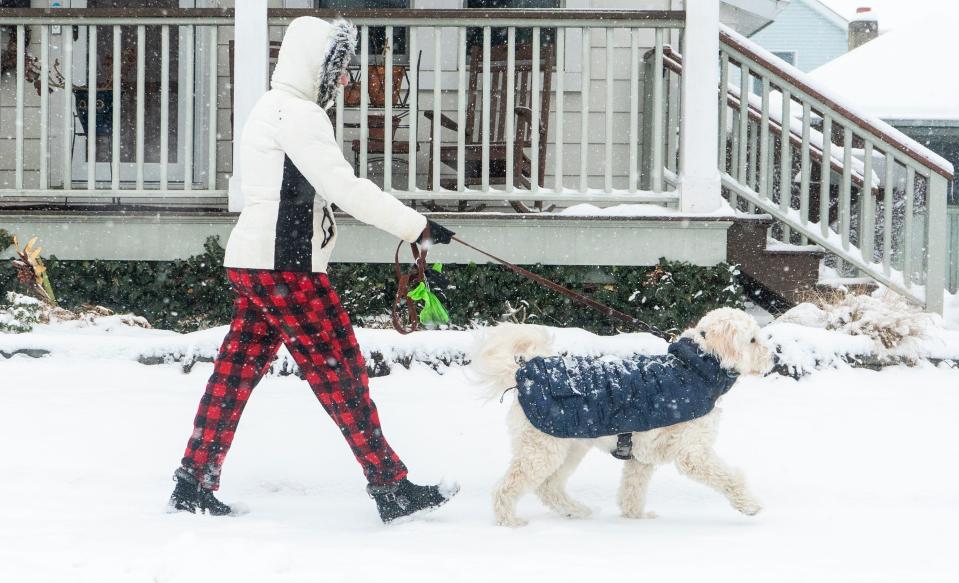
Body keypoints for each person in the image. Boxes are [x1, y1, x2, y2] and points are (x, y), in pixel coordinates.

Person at [168, 16, 457, 524]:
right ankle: (390, 485)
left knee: (235, 372)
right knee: (341, 370)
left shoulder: (271, 107)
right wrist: (418, 227)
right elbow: (346, 190)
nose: (346, 78)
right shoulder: (299, 116)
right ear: (316, 66)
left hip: (256, 264)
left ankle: (194, 478)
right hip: (287, 269)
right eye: (340, 68)